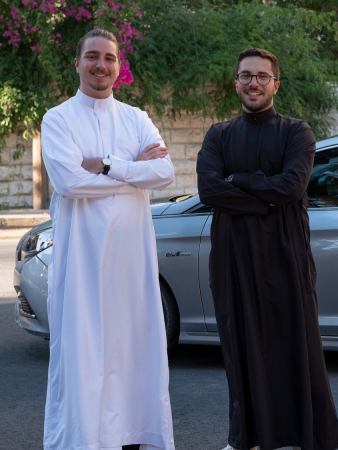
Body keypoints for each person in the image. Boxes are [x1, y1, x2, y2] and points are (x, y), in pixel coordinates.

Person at [196, 48, 338, 450]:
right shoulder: (219, 135)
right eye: (246, 75)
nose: (254, 83)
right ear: (236, 83)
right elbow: (209, 190)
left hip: (285, 256)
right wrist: (266, 197)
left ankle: (300, 435)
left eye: (262, 76)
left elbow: (291, 187)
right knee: (240, 345)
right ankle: (245, 436)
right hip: (233, 259)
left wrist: (239, 180)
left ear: (276, 84)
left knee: (293, 344)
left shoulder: (297, 133)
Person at [40, 28, 176, 450]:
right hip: (81, 261)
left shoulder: (136, 118)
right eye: (92, 56)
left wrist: (107, 164)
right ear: (77, 63)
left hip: (130, 260)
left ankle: (133, 435)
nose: (101, 65)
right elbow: (69, 182)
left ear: (119, 67)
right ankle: (84, 439)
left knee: (133, 347)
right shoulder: (58, 119)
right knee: (83, 351)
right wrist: (133, 172)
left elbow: (165, 172)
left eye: (109, 58)